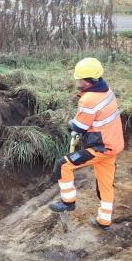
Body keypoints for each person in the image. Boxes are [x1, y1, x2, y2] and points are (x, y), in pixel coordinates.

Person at [50, 58, 124, 231]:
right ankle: (104, 221)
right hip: (113, 146)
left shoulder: (89, 99)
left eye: (79, 78)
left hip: (100, 148)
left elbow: (79, 126)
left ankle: (68, 202)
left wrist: (71, 125)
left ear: (86, 79)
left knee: (63, 165)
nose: (77, 81)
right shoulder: (106, 91)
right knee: (105, 185)